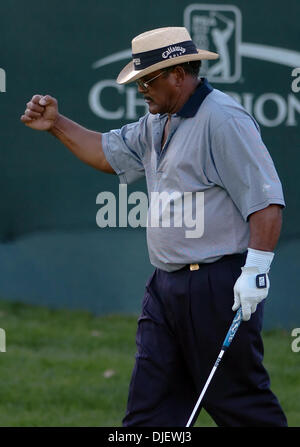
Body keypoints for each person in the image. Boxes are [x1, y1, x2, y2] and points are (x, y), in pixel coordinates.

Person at [20, 27, 287, 427]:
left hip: (217, 286)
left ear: (178, 74)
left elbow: (265, 200)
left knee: (240, 405)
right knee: (149, 409)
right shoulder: (156, 121)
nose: (141, 89)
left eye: (148, 80)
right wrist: (57, 124)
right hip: (165, 287)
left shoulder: (223, 119)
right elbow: (107, 153)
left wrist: (255, 272)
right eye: (139, 80)